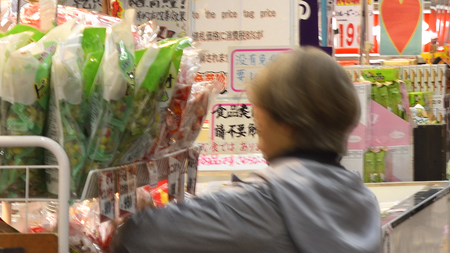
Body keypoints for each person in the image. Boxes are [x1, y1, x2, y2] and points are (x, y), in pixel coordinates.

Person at [115, 48, 379, 253]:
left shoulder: (263, 203)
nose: (255, 125)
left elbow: (139, 236)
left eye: (259, 120)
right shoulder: (363, 200)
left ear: (288, 123)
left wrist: (143, 210)